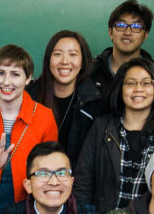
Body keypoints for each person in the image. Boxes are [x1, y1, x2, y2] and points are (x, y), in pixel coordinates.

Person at [74, 56, 154, 214]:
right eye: (131, 83)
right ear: (120, 89)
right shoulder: (102, 128)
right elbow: (83, 183)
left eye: (146, 83)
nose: (138, 89)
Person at [0, 44, 58, 213]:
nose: (6, 82)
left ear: (28, 78)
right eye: (0, 73)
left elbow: (49, 170)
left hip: (27, 209)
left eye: (15, 74)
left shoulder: (44, 117)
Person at [26, 29, 104, 165]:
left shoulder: (95, 102)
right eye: (57, 54)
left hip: (76, 181)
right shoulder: (29, 97)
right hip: (36, 179)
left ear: (83, 61)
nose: (65, 61)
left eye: (73, 55)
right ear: (48, 59)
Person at [89, 0, 154, 103]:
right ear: (110, 32)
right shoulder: (91, 71)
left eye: (136, 26)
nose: (128, 32)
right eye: (121, 25)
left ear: (145, 35)